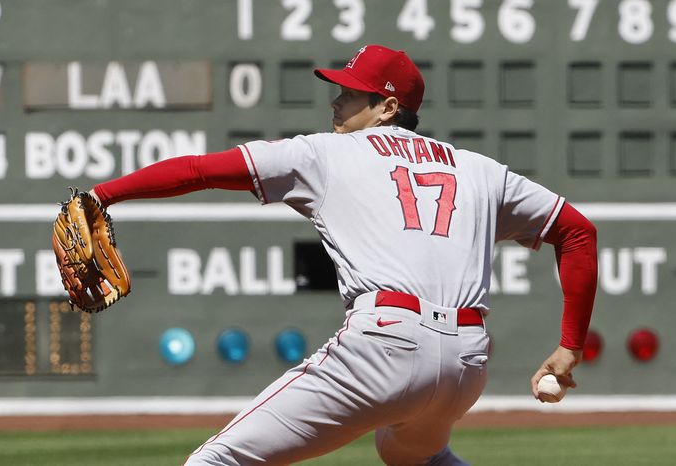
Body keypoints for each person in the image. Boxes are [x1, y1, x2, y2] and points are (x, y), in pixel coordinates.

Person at [89, 44, 599, 465]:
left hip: (386, 345)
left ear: (388, 107)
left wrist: (104, 195)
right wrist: (570, 344)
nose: (336, 102)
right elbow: (577, 232)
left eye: (352, 94)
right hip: (466, 361)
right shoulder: (480, 170)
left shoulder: (323, 154)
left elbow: (201, 169)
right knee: (409, 455)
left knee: (214, 463)